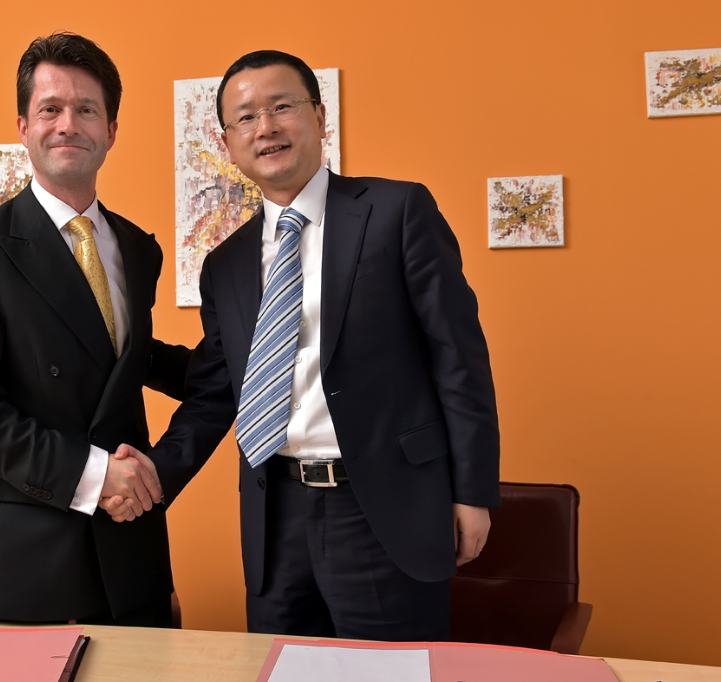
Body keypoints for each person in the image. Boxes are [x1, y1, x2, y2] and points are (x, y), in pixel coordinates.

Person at [105, 50, 500, 641]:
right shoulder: (225, 264)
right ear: (228, 143)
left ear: (319, 116)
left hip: (382, 508)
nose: (265, 127)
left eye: (282, 107)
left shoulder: (396, 212)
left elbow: (459, 360)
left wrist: (473, 492)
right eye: (246, 117)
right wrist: (155, 469)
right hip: (275, 516)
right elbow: (218, 392)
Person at [0, 32, 190, 626]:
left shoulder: (138, 249)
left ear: (111, 130)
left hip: (130, 549)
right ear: (24, 126)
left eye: (86, 109)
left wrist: (244, 367)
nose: (68, 125)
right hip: (20, 558)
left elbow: (118, 355)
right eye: (51, 109)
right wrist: (95, 475)